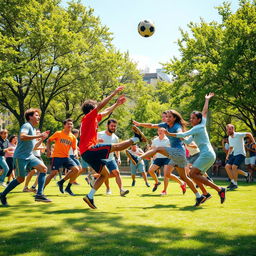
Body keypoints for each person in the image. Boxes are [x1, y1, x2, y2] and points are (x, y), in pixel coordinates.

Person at [80, 86, 147, 209]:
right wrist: (114, 93)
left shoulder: (93, 119)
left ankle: (89, 196)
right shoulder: (88, 117)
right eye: (95, 108)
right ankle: (137, 138)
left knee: (104, 174)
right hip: (88, 150)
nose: (97, 109)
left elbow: (105, 112)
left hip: (87, 153)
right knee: (116, 147)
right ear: (91, 110)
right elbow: (101, 106)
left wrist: (116, 104)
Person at [130, 110, 206, 207]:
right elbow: (152, 125)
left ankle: (138, 159)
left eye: (170, 117)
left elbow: (179, 132)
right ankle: (199, 196)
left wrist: (170, 133)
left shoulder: (177, 126)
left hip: (179, 152)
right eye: (167, 117)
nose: (168, 119)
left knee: (158, 149)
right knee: (184, 177)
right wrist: (139, 124)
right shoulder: (165, 125)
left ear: (174, 118)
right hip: (177, 154)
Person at [163, 93, 226, 205]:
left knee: (192, 174)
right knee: (194, 175)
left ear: (198, 119)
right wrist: (206, 100)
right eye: (190, 118)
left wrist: (169, 134)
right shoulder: (199, 126)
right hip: (207, 154)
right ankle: (206, 194)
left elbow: (183, 135)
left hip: (207, 154)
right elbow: (187, 140)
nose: (191, 120)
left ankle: (219, 189)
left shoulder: (198, 127)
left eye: (193, 118)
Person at [0, 108, 51, 206]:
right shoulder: (26, 125)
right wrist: (38, 136)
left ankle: (39, 194)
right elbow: (22, 136)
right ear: (30, 117)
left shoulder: (33, 128)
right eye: (36, 115)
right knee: (20, 179)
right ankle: (3, 194)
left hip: (30, 156)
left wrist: (41, 138)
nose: (39, 117)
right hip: (20, 157)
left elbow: (34, 146)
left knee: (44, 169)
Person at [45, 119, 80, 196]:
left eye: (71, 124)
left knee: (76, 170)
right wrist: (48, 150)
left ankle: (66, 186)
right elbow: (48, 140)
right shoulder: (58, 133)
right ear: (64, 125)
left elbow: (74, 148)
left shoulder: (73, 137)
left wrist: (76, 154)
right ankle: (40, 191)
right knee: (53, 173)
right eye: (68, 124)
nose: (70, 125)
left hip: (66, 157)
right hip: (57, 156)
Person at [148, 127, 186, 195]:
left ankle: (165, 190)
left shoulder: (168, 140)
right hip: (158, 158)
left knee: (166, 174)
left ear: (165, 132)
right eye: (159, 131)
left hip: (168, 158)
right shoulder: (155, 140)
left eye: (162, 131)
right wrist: (150, 154)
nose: (160, 132)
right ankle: (157, 182)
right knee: (150, 171)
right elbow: (153, 148)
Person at [97, 119, 129, 196]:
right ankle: (108, 188)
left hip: (111, 159)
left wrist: (119, 158)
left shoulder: (115, 138)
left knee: (117, 173)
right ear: (107, 126)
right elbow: (91, 143)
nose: (113, 127)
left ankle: (121, 190)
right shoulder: (99, 134)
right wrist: (97, 140)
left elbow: (117, 148)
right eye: (112, 126)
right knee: (105, 174)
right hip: (101, 159)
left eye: (114, 126)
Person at [225, 124, 255, 190]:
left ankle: (235, 184)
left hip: (241, 153)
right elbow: (231, 147)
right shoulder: (229, 137)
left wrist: (254, 143)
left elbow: (249, 134)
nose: (228, 131)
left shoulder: (239, 135)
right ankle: (244, 176)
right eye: (227, 129)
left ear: (233, 129)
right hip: (234, 154)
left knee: (234, 167)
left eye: (230, 129)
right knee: (227, 167)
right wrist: (227, 156)